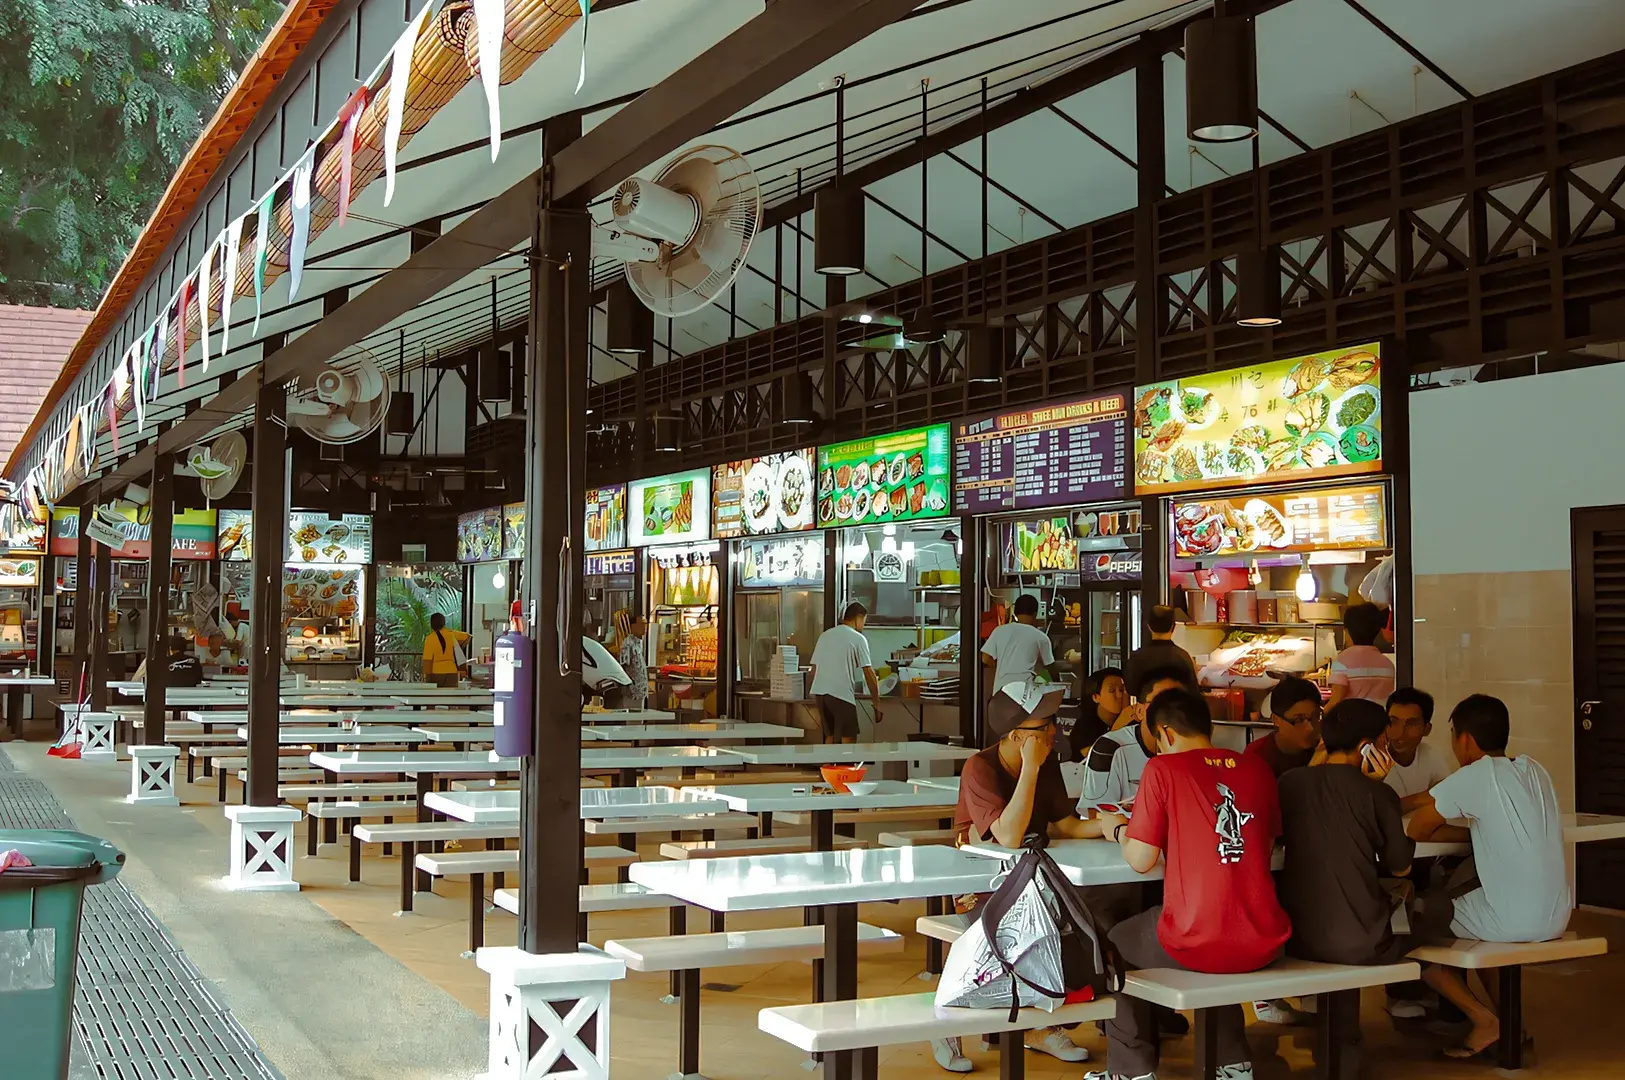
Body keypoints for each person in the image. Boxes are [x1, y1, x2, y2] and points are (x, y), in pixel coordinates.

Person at [1092, 690, 1291, 1080]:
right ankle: (1231, 1062)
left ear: (1164, 733)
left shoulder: (1163, 771)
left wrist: (1116, 830)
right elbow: (1264, 846)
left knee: (1114, 941)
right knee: (1215, 946)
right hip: (1265, 937)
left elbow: (1140, 859)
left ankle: (1131, 1070)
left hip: (1196, 938)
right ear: (1209, 726)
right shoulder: (1256, 769)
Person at [939, 685, 1099, 1072]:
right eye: (1045, 726)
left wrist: (1112, 825)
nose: (1054, 733)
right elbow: (1007, 836)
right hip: (982, 886)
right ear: (1016, 737)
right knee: (1018, 938)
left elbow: (1066, 826)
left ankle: (1040, 1027)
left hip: (1032, 878)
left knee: (1078, 927)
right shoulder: (980, 767)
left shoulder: (1049, 763)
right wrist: (1030, 767)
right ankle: (946, 1021)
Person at [1406, 694, 1572, 1059]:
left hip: (1510, 921)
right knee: (1476, 915)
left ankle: (1482, 1019)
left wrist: (1465, 833)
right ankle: (1511, 1023)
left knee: (1404, 926)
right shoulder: (1533, 770)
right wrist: (1479, 833)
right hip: (1557, 915)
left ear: (1464, 739)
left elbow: (1418, 828)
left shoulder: (1476, 774)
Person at [1278, 699, 1413, 1077]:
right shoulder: (1377, 794)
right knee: (1421, 913)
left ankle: (1340, 1045)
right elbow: (1400, 865)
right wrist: (1379, 792)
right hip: (1359, 942)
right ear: (1367, 746)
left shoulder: (1290, 782)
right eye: (1384, 741)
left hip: (1295, 936)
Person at [1078, 668, 1186, 817]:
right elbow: (1096, 813)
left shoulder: (1190, 748)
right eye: (1159, 703)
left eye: (1178, 703)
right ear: (1140, 711)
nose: (1170, 711)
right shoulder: (1110, 748)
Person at [807, 602, 882, 744]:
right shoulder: (858, 638)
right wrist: (876, 703)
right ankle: (846, 765)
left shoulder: (825, 635)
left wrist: (812, 694)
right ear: (858, 618)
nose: (863, 626)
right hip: (841, 695)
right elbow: (869, 672)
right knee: (848, 738)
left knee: (830, 737)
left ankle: (827, 766)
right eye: (864, 621)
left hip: (821, 694)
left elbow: (814, 670)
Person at [1383, 686, 1454, 813]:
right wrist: (1428, 796)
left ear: (1427, 729)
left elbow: (1450, 794)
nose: (1400, 733)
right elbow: (1376, 813)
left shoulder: (1431, 754)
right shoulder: (1373, 760)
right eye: (1394, 722)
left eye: (1411, 724)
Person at [1244, 675, 1323, 778]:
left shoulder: (1323, 749)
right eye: (1299, 719)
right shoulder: (1257, 757)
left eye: (1316, 717)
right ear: (1276, 720)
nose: (1310, 728)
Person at [980, 594, 1055, 697]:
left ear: (1015, 612)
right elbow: (1050, 669)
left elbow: (985, 658)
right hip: (1024, 696)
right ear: (1035, 614)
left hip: (1000, 694)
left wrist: (999, 667)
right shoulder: (1041, 637)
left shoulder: (999, 631)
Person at [1326, 602, 1396, 708]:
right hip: (1379, 721)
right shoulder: (1388, 664)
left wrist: (1322, 715)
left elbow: (1336, 699)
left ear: (1347, 632)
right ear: (1377, 631)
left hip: (1351, 721)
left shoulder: (1342, 660)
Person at [1124, 604, 1198, 696]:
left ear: (1149, 626)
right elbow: (1193, 690)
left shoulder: (1136, 658)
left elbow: (1131, 689)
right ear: (1173, 626)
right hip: (1176, 709)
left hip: (1146, 709)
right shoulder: (1183, 657)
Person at [1071, 666, 1127, 758]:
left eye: (1121, 690)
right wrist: (1119, 725)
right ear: (1096, 697)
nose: (1120, 695)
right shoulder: (1085, 726)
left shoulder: (1132, 721)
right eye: (1112, 690)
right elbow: (1091, 757)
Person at [421, 612, 471, 688]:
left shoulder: (430, 638)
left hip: (436, 673)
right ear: (443, 623)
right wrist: (461, 646)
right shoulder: (451, 634)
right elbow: (468, 636)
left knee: (435, 698)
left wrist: (425, 675)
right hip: (452, 672)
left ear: (431, 624)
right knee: (450, 697)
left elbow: (427, 660)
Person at [616, 612, 649, 709]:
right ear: (633, 626)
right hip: (632, 693)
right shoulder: (628, 644)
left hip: (640, 692)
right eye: (641, 624)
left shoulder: (639, 643)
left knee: (639, 720)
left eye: (645, 624)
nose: (644, 627)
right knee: (632, 721)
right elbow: (623, 666)